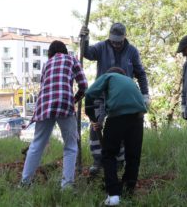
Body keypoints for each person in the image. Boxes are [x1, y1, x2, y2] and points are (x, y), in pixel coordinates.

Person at [80, 22, 149, 174]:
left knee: (122, 128)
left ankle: (119, 161)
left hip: (122, 98)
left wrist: (145, 95)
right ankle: (98, 160)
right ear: (109, 38)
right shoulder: (102, 47)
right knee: (96, 126)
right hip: (102, 94)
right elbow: (87, 53)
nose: (116, 44)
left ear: (124, 38)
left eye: (119, 41)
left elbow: (141, 74)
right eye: (113, 41)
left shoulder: (132, 51)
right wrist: (84, 39)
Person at [20, 40, 88, 190]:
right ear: (65, 51)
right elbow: (84, 86)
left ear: (50, 53)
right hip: (64, 103)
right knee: (70, 146)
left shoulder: (46, 64)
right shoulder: (71, 59)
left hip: (44, 105)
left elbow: (44, 86)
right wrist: (74, 99)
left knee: (37, 144)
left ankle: (25, 183)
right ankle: (67, 186)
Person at [85, 67, 147, 206]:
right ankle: (128, 190)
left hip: (117, 117)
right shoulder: (131, 82)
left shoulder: (108, 77)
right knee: (133, 155)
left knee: (108, 154)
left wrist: (92, 117)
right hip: (138, 118)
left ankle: (113, 195)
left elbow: (89, 94)